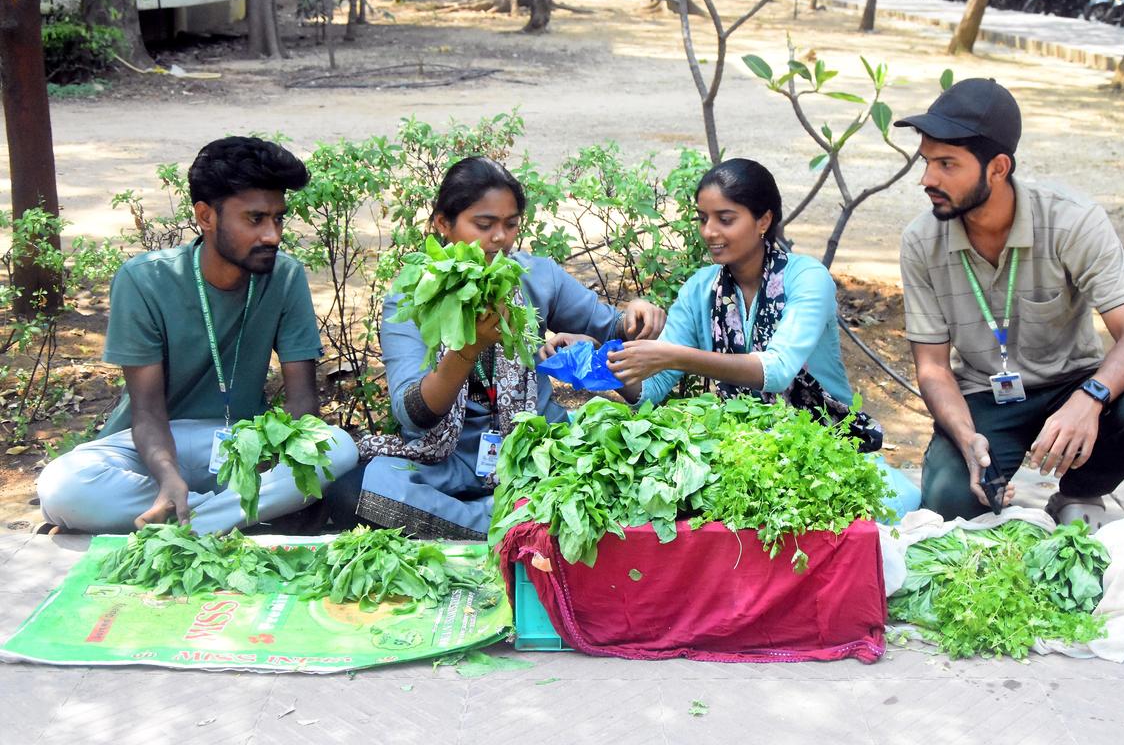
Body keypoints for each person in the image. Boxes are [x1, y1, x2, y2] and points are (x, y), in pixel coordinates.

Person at [895, 78, 1124, 525]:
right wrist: (966, 436)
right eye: (927, 162)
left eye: (947, 164)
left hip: (1073, 382)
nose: (928, 179)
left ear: (997, 167)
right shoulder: (921, 241)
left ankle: (1081, 490)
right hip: (984, 396)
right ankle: (981, 472)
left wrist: (1089, 400)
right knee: (948, 503)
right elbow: (933, 366)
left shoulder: (1072, 221)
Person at [326, 156, 666, 538]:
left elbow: (610, 325)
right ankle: (512, 526)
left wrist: (637, 314)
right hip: (445, 463)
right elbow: (413, 415)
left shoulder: (536, 276)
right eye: (484, 225)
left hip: (534, 455)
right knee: (354, 489)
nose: (500, 238)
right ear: (442, 224)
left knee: (609, 469)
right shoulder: (412, 298)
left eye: (511, 224)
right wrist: (468, 349)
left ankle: (487, 525)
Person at [36, 136, 359, 534]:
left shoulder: (285, 275)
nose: (273, 235)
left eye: (278, 218)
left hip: (245, 443)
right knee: (62, 487)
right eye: (255, 219)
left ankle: (188, 522)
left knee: (338, 448)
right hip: (154, 446)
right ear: (206, 217)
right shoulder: (144, 280)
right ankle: (240, 512)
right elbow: (147, 412)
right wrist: (168, 477)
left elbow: (303, 402)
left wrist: (273, 453)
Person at [607, 158, 922, 519]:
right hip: (743, 458)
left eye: (725, 219)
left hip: (827, 449)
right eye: (702, 218)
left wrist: (673, 356)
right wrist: (609, 362)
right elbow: (650, 390)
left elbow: (778, 369)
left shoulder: (806, 279)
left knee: (887, 508)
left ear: (764, 221)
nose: (709, 231)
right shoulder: (701, 289)